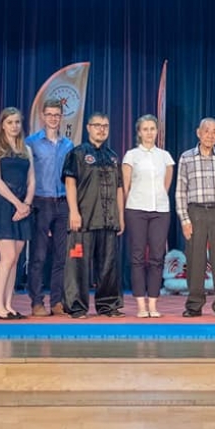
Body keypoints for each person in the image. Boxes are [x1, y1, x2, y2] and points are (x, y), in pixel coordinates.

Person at [63, 112, 125, 318]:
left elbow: (119, 188)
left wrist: (120, 216)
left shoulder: (113, 156)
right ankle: (77, 306)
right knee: (78, 265)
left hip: (108, 220)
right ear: (88, 128)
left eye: (105, 126)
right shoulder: (77, 153)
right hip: (84, 220)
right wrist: (73, 212)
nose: (101, 129)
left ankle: (108, 305)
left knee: (108, 266)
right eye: (97, 125)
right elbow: (70, 183)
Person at [175, 117, 215, 318]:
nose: (210, 135)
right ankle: (194, 305)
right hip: (196, 212)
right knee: (195, 260)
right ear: (198, 133)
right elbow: (180, 191)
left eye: (214, 132)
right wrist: (184, 220)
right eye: (206, 131)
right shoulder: (186, 157)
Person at [0, 107, 35, 320]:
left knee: (15, 259)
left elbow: (32, 180)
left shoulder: (26, 149)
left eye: (17, 122)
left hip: (23, 208)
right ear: (3, 125)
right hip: (4, 206)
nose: (14, 126)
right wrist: (17, 204)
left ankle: (8, 305)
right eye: (10, 122)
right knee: (8, 257)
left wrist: (26, 204)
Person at [122, 115, 175, 318]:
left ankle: (153, 303)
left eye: (152, 128)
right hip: (136, 209)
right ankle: (140, 305)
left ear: (157, 131)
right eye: (145, 129)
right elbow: (126, 186)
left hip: (160, 211)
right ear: (139, 132)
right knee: (137, 257)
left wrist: (159, 198)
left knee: (156, 257)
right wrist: (129, 205)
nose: (149, 132)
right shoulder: (131, 155)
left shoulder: (165, 156)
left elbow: (166, 183)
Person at [25, 98, 74, 317]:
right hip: (40, 202)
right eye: (49, 114)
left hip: (62, 203)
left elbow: (72, 178)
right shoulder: (31, 143)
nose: (53, 118)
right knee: (38, 255)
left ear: (62, 117)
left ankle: (57, 301)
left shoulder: (68, 145)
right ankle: (37, 302)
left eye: (57, 114)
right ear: (42, 116)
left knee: (61, 256)